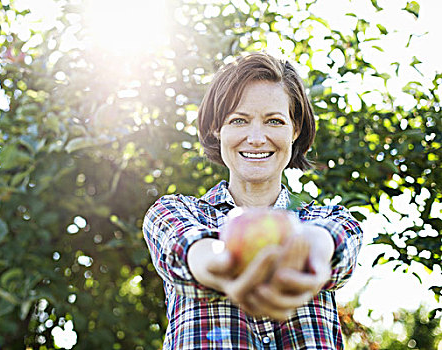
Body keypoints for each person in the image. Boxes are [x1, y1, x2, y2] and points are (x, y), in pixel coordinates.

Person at [143, 52, 363, 349]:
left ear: (294, 130)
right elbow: (192, 252)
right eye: (239, 120)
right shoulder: (174, 212)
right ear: (217, 129)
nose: (257, 138)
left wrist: (310, 254)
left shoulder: (332, 219)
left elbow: (331, 243)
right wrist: (226, 266)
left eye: (274, 121)